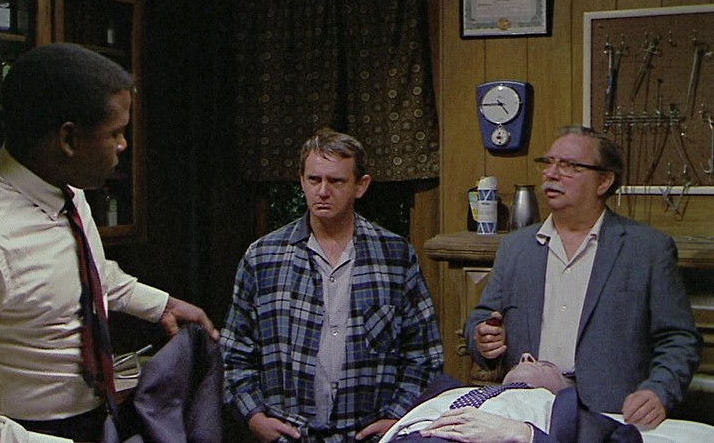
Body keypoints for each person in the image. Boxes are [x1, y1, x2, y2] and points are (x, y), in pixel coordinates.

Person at [0, 43, 219, 443]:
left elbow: (83, 274)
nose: (123, 145)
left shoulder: (67, 192)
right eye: (115, 133)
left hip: (90, 419)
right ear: (69, 138)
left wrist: (161, 304)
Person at [463, 125, 702, 430]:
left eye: (569, 166)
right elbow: (481, 319)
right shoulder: (516, 248)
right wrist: (482, 338)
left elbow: (679, 339)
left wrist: (658, 390)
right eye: (548, 163)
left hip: (610, 416)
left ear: (604, 181)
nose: (552, 174)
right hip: (529, 412)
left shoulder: (647, 250)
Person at [220, 128, 444, 442]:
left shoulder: (395, 256)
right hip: (288, 431)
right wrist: (254, 417)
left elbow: (423, 354)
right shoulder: (263, 257)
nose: (323, 191)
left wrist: (396, 416)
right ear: (301, 181)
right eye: (314, 180)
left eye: (336, 181)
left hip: (366, 432)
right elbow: (235, 351)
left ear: (360, 186)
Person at [379, 352, 643, 443]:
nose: (526, 356)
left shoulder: (560, 409)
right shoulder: (448, 389)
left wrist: (525, 435)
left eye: (545, 364)